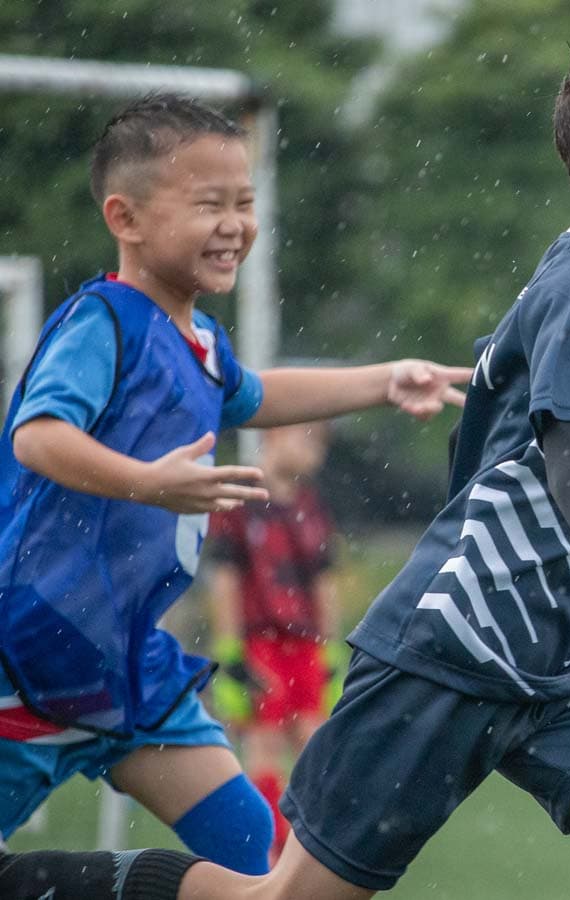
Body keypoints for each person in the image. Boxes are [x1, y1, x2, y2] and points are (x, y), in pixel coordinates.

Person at [0, 23, 570, 899]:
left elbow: (464, 433)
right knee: (283, 896)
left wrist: (393, 391)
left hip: (540, 660)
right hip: (448, 651)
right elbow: (567, 449)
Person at [0, 92, 471, 879]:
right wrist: (146, 483)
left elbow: (259, 394)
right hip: (26, 669)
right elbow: (37, 436)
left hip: (129, 680)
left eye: (244, 203)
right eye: (209, 204)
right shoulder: (102, 323)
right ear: (127, 217)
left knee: (256, 854)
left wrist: (385, 379)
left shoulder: (203, 345)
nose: (235, 224)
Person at [204, 422, 342, 862]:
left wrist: (332, 649)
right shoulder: (240, 501)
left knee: (313, 744)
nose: (315, 451)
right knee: (263, 744)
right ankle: (267, 853)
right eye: (308, 437)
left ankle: (310, 852)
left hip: (305, 645)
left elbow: (325, 582)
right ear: (275, 434)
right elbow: (225, 579)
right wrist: (230, 654)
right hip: (258, 642)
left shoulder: (312, 506)